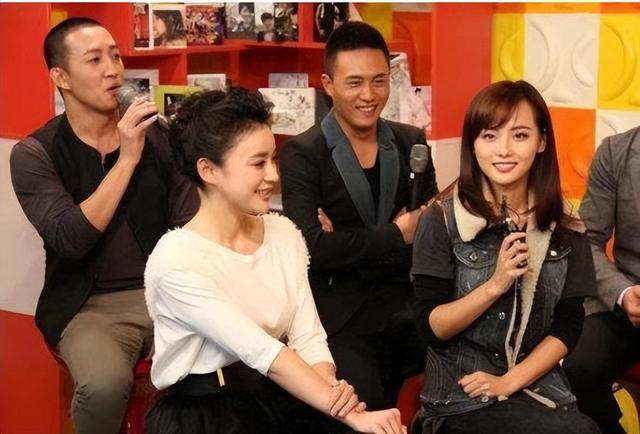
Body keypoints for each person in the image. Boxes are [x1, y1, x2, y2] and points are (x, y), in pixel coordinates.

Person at [144, 87, 406, 434]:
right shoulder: (176, 259)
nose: (273, 176)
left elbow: (308, 335)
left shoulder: (283, 233)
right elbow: (260, 349)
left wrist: (332, 394)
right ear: (208, 170)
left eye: (273, 159)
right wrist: (348, 413)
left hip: (276, 395)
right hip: (205, 414)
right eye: (258, 163)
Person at [9, 18, 198, 434]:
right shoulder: (34, 154)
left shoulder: (158, 136)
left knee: (230, 362)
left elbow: (191, 224)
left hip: (167, 290)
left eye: (115, 56)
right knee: (104, 387)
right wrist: (127, 160)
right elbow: (70, 239)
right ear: (61, 78)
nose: (113, 69)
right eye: (94, 60)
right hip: (89, 306)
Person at [410, 80, 600, 434]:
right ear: (473, 143)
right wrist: (495, 284)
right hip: (460, 397)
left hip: (537, 390)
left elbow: (568, 325)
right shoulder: (442, 218)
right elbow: (431, 328)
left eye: (520, 135)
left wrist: (508, 382)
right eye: (489, 136)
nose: (504, 150)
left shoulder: (566, 225)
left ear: (541, 142)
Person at [279, 21, 438, 410]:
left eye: (379, 81)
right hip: (341, 314)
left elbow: (432, 235)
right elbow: (313, 250)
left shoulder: (410, 141)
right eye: (354, 83)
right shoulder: (303, 153)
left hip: (407, 301)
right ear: (328, 84)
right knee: (363, 407)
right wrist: (397, 234)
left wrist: (345, 243)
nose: (368, 95)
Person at [562, 126, 640, 433]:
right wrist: (623, 292)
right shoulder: (615, 151)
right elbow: (587, 242)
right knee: (578, 367)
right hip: (627, 297)